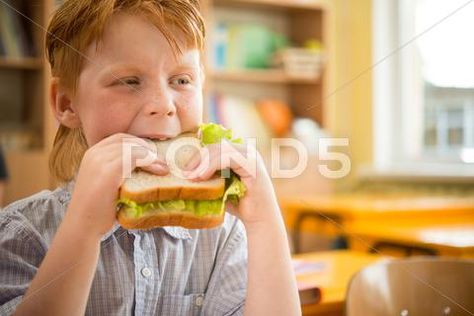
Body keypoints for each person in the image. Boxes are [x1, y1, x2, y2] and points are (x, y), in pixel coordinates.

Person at [0, 1, 301, 315]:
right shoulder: (21, 234)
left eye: (181, 80)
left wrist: (265, 221)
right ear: (66, 104)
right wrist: (83, 229)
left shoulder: (223, 235)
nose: (164, 104)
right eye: (129, 81)